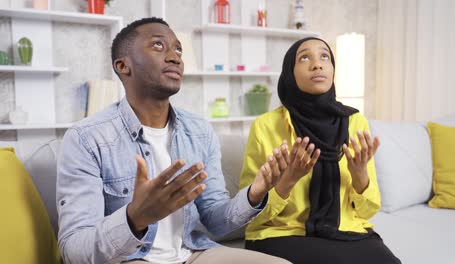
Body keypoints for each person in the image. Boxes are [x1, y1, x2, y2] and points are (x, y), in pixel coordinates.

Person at [56, 17, 290, 264]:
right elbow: (74, 250)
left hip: (192, 252)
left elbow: (215, 219)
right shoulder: (86, 138)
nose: (175, 56)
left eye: (178, 49)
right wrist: (134, 218)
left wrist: (255, 193)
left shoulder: (199, 131)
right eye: (158, 45)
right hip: (129, 259)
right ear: (123, 66)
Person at [239, 37, 401, 264]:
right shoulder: (265, 126)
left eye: (325, 56)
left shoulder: (355, 122)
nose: (317, 64)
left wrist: (360, 174)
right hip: (283, 233)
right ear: (289, 72)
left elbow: (366, 212)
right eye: (304, 57)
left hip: (344, 230)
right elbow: (249, 215)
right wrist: (287, 180)